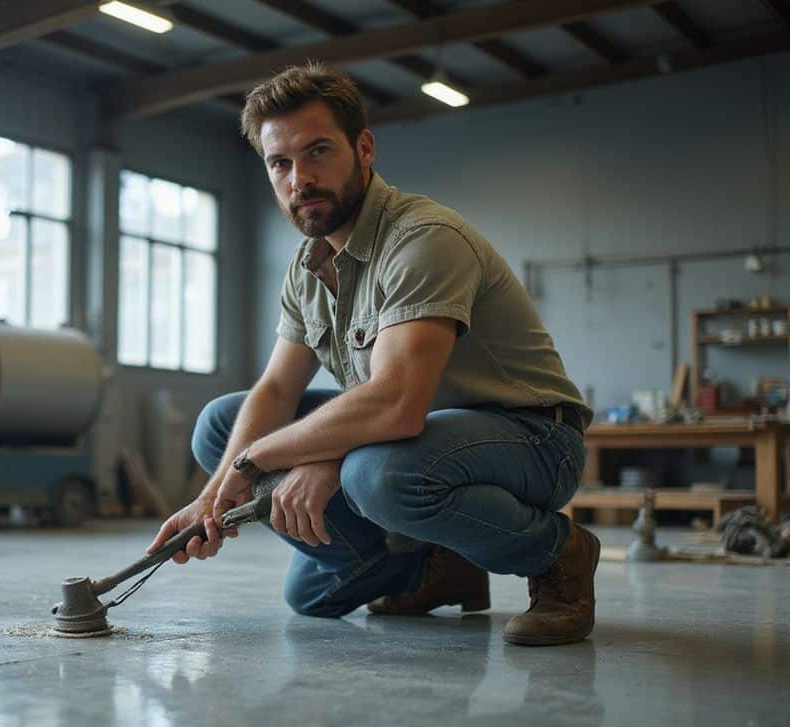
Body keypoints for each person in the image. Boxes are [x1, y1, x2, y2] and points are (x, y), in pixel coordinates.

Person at [147, 62, 599, 647]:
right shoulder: (308, 267)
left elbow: (396, 403)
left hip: (532, 439)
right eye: (280, 163)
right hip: (413, 438)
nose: (300, 179)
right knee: (225, 434)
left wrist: (265, 463)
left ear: (363, 149)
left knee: (377, 474)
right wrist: (210, 499)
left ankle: (559, 555)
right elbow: (276, 391)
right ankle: (430, 565)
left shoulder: (424, 239)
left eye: (318, 152)